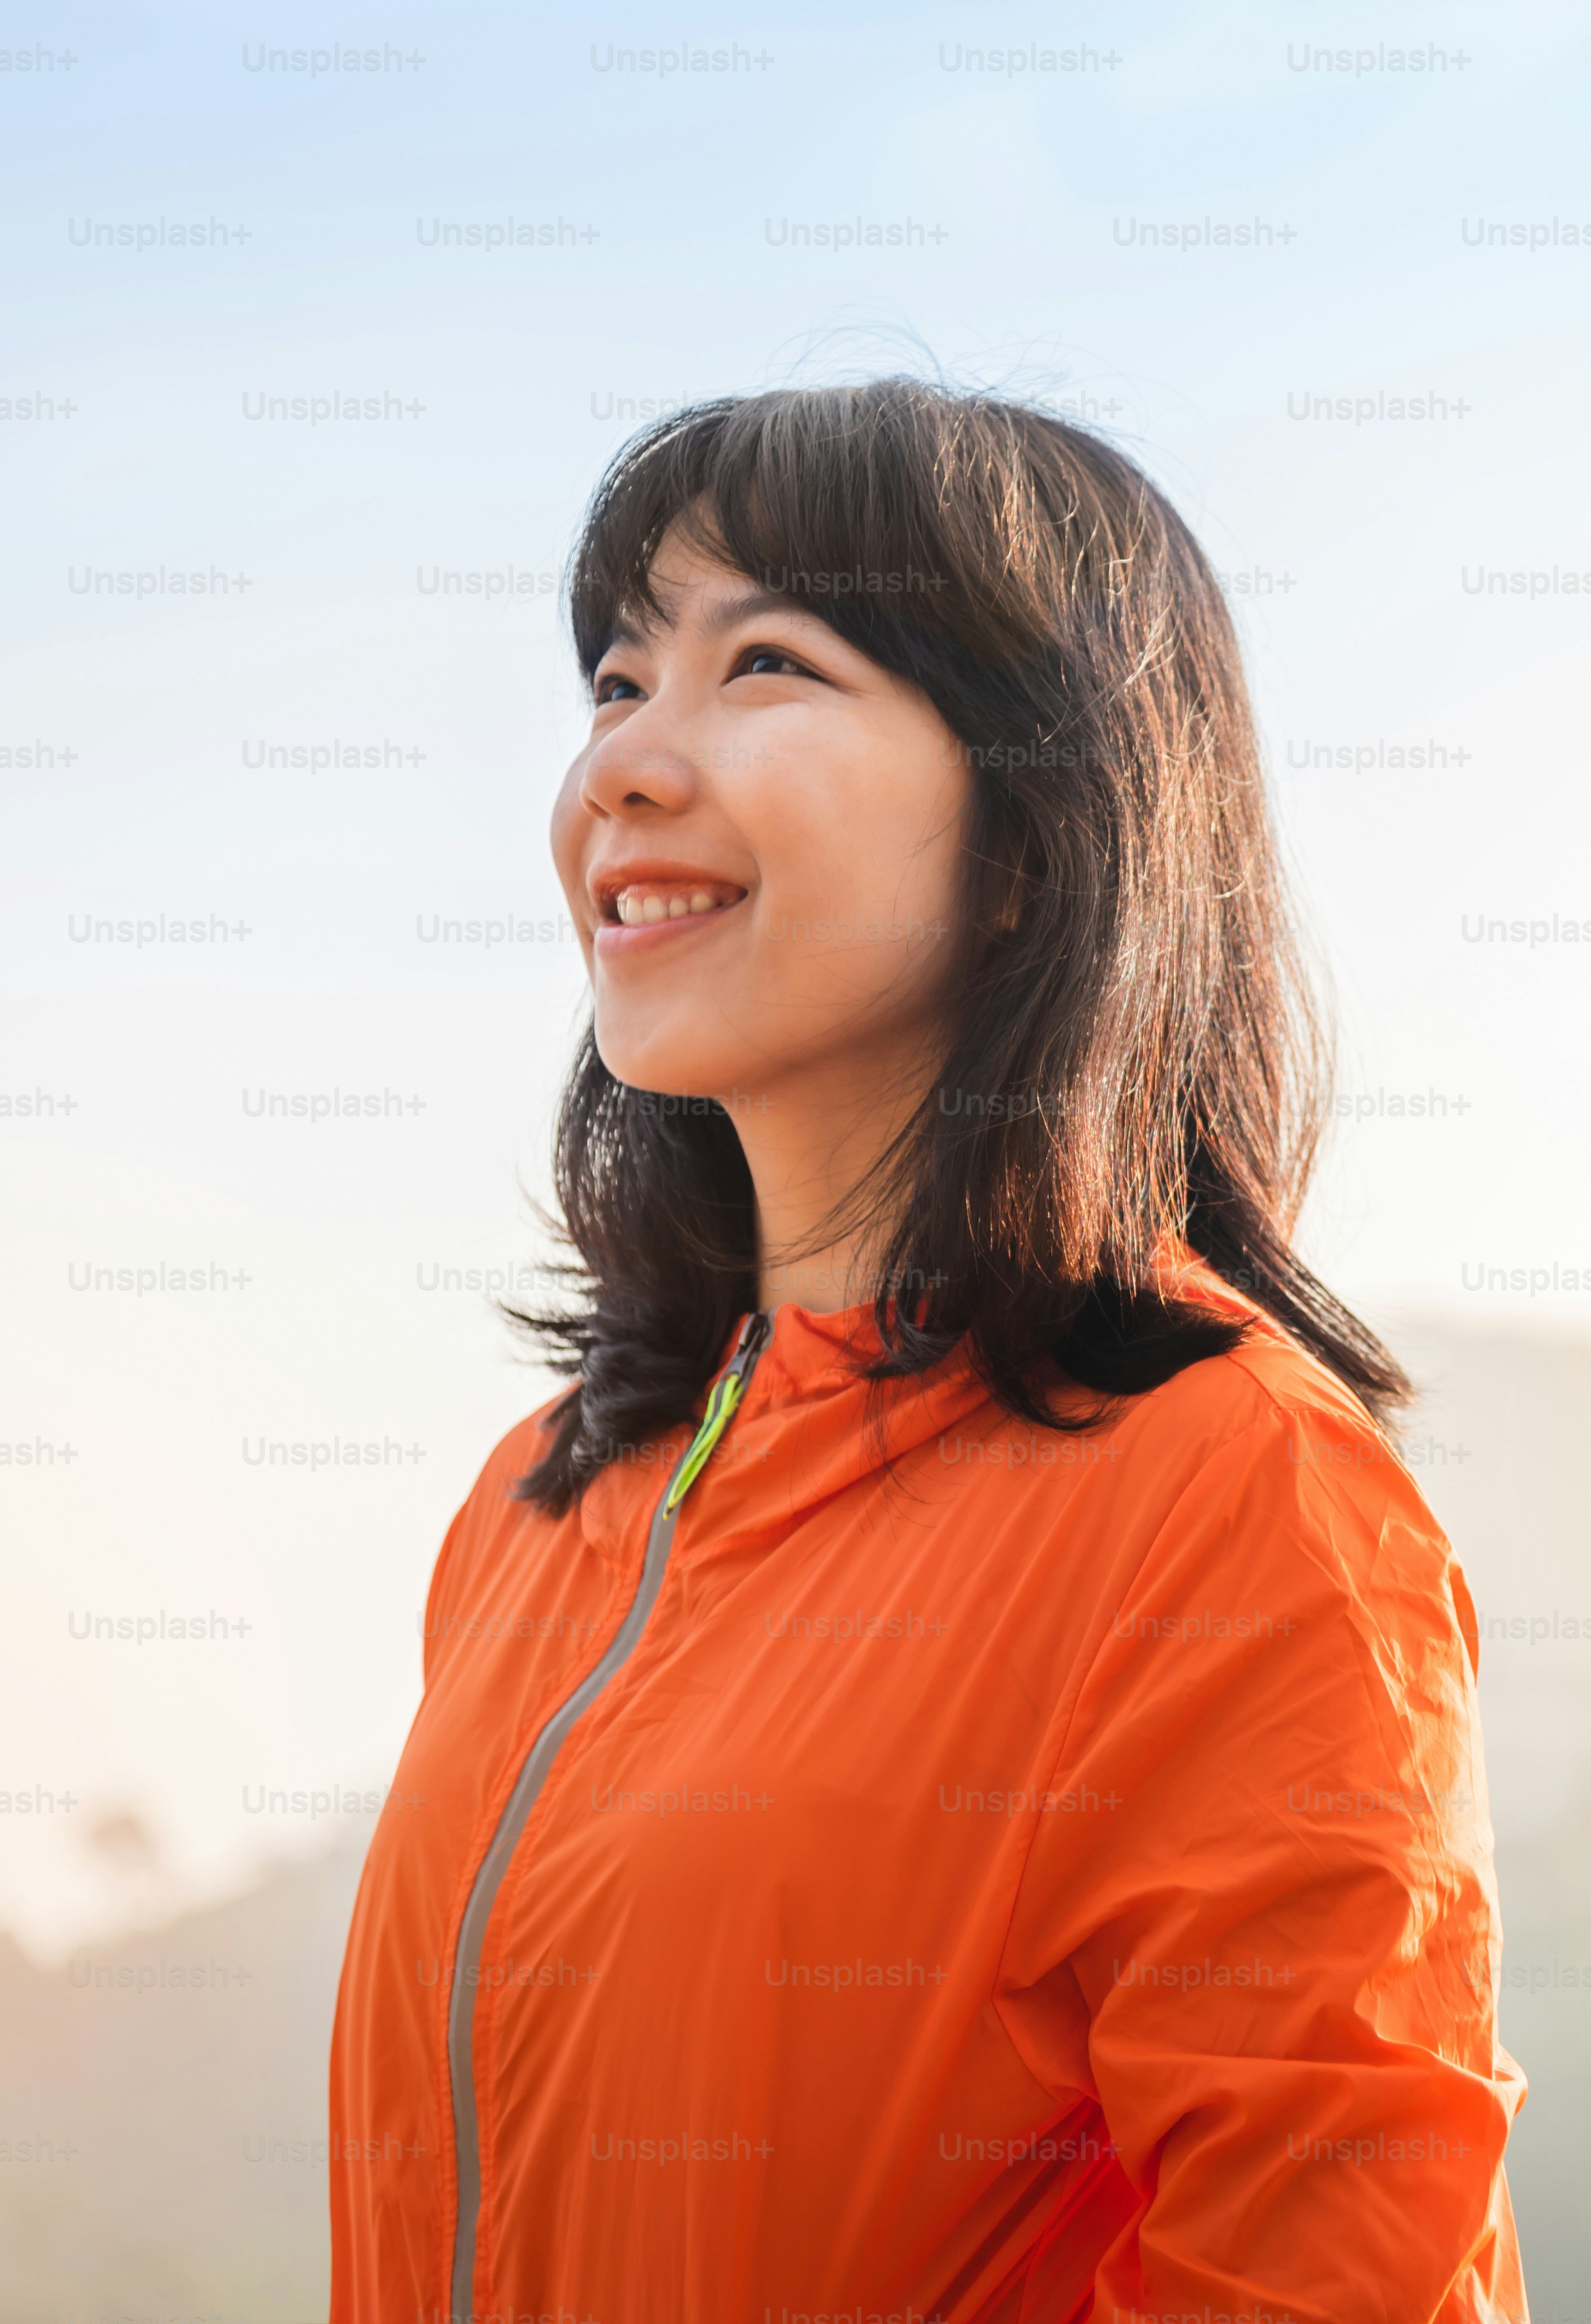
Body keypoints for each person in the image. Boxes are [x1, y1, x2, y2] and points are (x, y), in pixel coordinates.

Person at [326, 380, 1524, 2322]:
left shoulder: (1232, 1496)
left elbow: (1331, 2275)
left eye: (767, 664)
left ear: (1037, 832)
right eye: (618, 681)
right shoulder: (545, 1502)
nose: (624, 765)